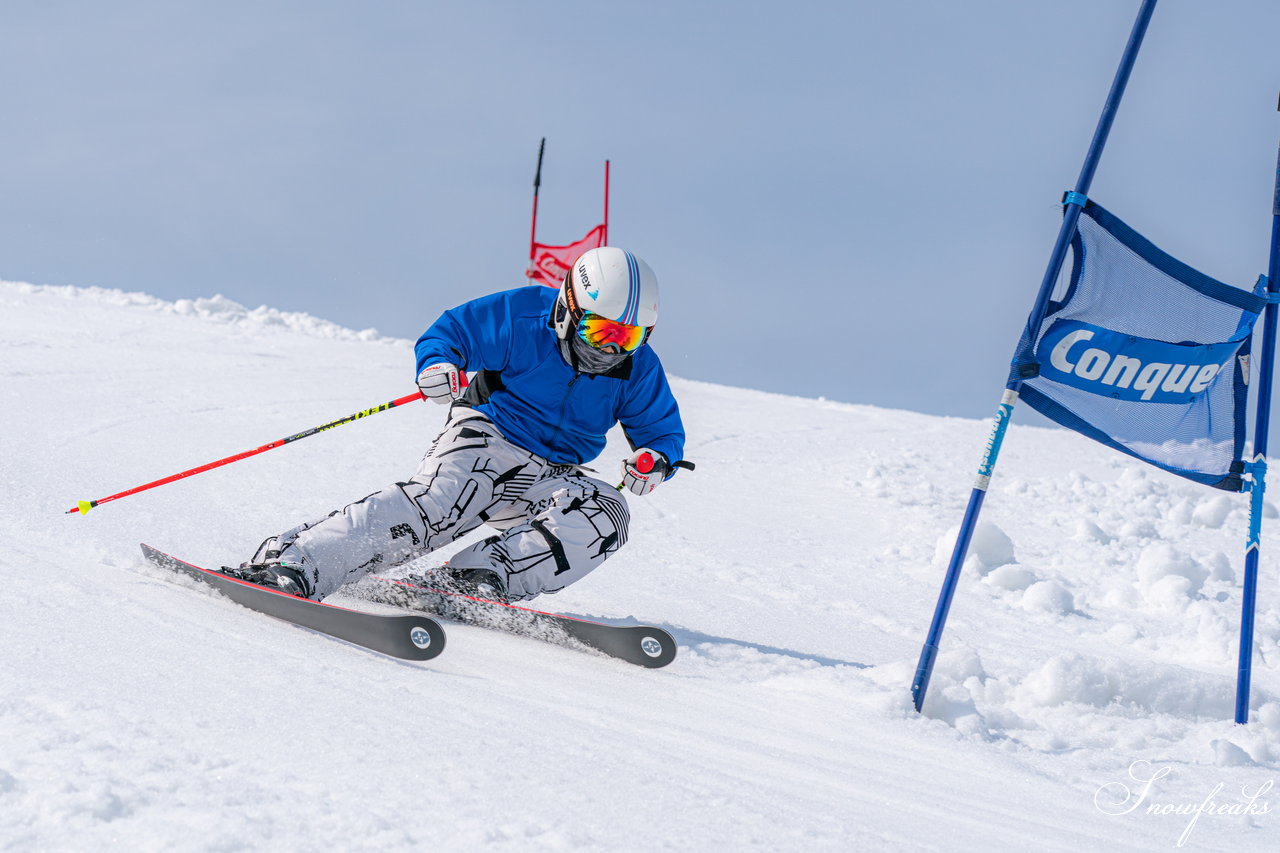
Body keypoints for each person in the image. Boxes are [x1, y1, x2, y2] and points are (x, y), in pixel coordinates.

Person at [230, 246, 688, 603]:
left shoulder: (637, 367)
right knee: (443, 502)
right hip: (488, 437)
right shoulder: (524, 316)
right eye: (600, 332)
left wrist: (655, 460)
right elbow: (452, 333)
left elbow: (661, 430)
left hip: (554, 473)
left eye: (626, 337)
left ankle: (476, 579)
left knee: (604, 515)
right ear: (569, 308)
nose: (610, 350)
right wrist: (438, 365)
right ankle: (296, 564)